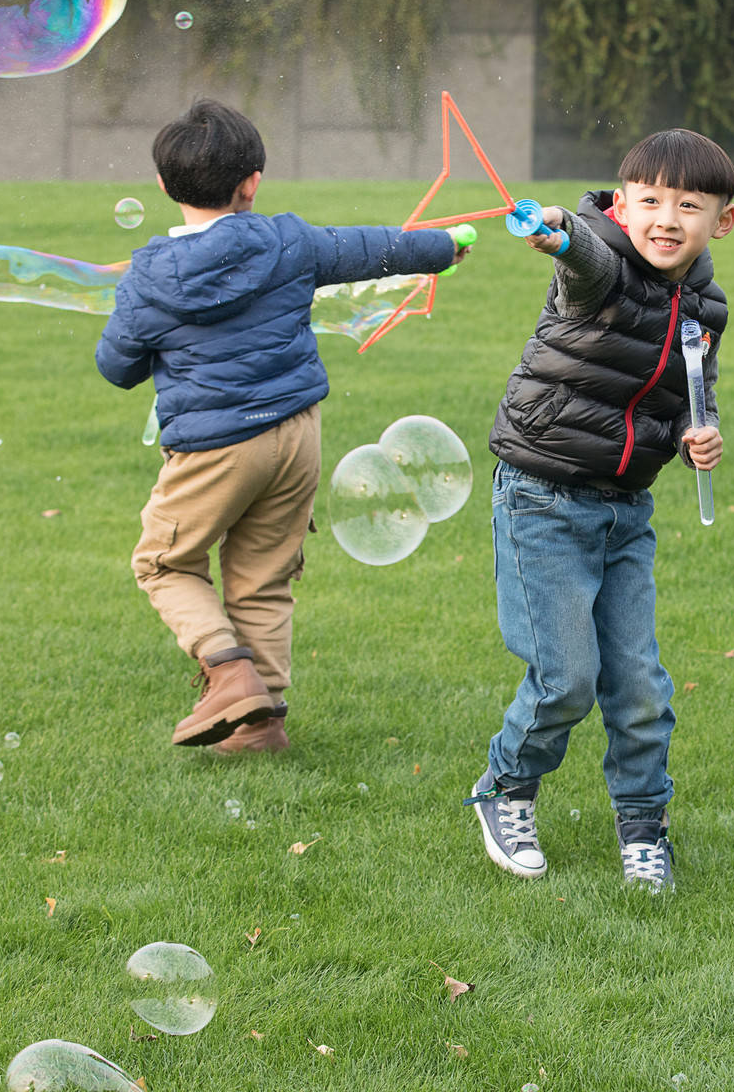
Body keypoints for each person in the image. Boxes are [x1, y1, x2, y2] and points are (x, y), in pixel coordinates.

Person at [97, 98, 468, 753]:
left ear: (161, 185)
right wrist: (444, 246)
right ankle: (261, 725)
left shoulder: (149, 275)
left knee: (164, 564)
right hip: (297, 434)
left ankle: (229, 670)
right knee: (262, 577)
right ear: (252, 183)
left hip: (214, 447)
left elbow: (117, 367)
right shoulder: (288, 240)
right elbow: (373, 248)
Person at [466, 128, 734, 891]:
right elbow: (581, 255)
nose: (666, 218)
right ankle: (505, 788)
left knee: (641, 688)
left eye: (689, 205)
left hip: (625, 514)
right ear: (621, 206)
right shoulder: (600, 269)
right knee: (564, 679)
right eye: (648, 200)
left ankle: (645, 829)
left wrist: (697, 438)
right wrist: (557, 234)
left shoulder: (706, 307)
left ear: (723, 220)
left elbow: (691, 397)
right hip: (543, 500)